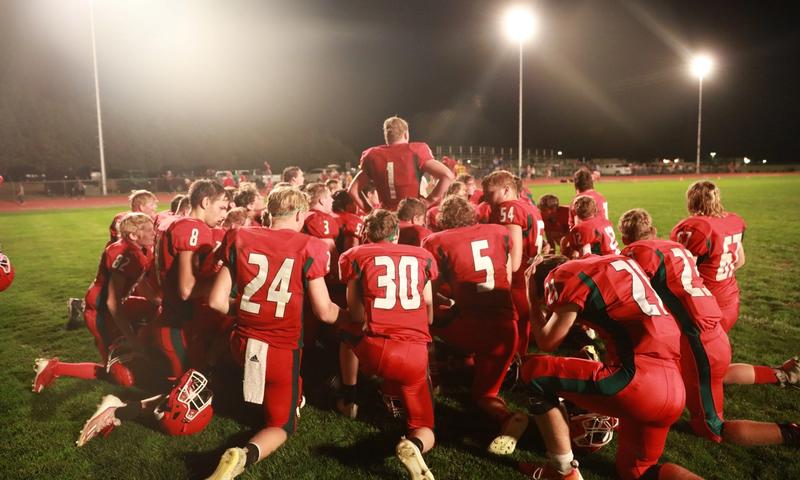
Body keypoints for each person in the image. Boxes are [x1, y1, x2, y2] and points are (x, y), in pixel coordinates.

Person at [619, 208, 800, 448]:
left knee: (711, 427)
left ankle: (791, 433)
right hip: (713, 326)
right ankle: (782, 373)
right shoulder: (675, 247)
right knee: (709, 375)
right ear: (653, 230)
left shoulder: (635, 256)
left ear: (624, 238)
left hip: (698, 340)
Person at [205, 187, 348, 480]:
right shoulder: (309, 246)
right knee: (282, 425)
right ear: (299, 215)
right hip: (280, 351)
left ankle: (264, 395)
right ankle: (244, 455)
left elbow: (216, 302)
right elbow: (324, 312)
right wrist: (357, 319)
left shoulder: (238, 236)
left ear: (270, 213)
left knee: (269, 381)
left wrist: (251, 310)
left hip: (242, 344)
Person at [520, 255, 700, 480]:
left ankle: (562, 470)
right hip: (673, 388)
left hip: (636, 383)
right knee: (637, 471)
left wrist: (531, 296)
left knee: (534, 372)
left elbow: (547, 342)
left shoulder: (564, 276)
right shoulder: (607, 262)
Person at [421, 196, 529, 455]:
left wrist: (446, 307)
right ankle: (507, 416)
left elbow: (428, 296)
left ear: (443, 219)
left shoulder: (436, 241)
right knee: (485, 395)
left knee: (423, 320)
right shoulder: (499, 232)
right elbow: (506, 275)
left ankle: (434, 377)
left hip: (472, 328)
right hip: (507, 328)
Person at [338, 209, 438, 480]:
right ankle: (414, 444)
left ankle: (350, 398)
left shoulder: (355, 255)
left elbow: (355, 315)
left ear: (366, 235)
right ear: (396, 235)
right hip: (415, 352)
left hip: (376, 350)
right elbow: (429, 312)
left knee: (347, 333)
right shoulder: (422, 256)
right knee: (424, 426)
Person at [33, 213, 159, 392]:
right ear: (133, 235)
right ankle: (53, 368)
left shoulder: (139, 250)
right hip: (100, 312)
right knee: (119, 375)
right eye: (148, 230)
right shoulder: (127, 254)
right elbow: (112, 301)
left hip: (110, 305)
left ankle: (150, 348)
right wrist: (132, 338)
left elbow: (141, 284)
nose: (154, 233)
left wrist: (161, 302)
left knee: (154, 308)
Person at [152, 179, 228, 378]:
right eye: (222, 207)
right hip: (180, 325)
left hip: (170, 316)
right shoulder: (193, 228)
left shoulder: (172, 221)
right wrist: (224, 281)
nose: (224, 214)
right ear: (205, 202)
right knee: (188, 391)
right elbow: (187, 290)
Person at [483, 170, 545, 357]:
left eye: (490, 193)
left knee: (509, 333)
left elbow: (514, 259)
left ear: (506, 189)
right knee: (522, 330)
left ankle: (511, 366)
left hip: (517, 279)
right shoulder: (529, 206)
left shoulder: (509, 208)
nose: (487, 199)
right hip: (530, 276)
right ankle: (518, 365)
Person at [670, 180, 745, 333]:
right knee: (717, 343)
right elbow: (740, 261)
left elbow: (683, 273)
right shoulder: (733, 221)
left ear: (691, 200)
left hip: (705, 304)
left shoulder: (697, 226)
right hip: (730, 299)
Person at [348, 116, 454, 212]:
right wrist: (429, 201)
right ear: (406, 134)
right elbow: (447, 175)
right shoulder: (415, 150)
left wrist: (369, 211)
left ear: (386, 136)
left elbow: (352, 190)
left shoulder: (372, 155)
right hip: (411, 215)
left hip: (386, 217)